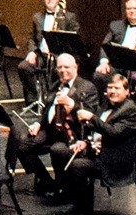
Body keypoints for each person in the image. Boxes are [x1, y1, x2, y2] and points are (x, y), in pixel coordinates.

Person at [63, 72, 136, 215]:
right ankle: (78, 204)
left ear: (127, 91)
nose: (112, 91)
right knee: (64, 154)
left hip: (118, 162)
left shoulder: (130, 110)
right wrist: (86, 142)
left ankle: (85, 213)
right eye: (110, 88)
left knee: (78, 166)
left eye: (117, 88)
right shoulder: (109, 107)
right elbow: (100, 133)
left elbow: (113, 133)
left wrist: (91, 117)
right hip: (105, 153)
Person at [13, 53, 98, 196]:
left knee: (57, 149)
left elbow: (91, 116)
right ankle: (48, 182)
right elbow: (47, 109)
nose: (63, 70)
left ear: (75, 67)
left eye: (67, 67)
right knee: (23, 145)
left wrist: (72, 104)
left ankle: (65, 186)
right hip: (51, 129)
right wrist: (38, 123)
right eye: (60, 67)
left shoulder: (87, 87)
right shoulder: (56, 84)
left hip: (72, 134)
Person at [21, 0, 79, 106]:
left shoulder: (69, 17)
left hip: (59, 55)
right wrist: (32, 52)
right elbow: (31, 38)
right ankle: (34, 99)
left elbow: (74, 39)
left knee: (56, 71)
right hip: (41, 55)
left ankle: (53, 100)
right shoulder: (37, 17)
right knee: (24, 67)